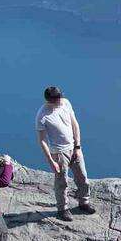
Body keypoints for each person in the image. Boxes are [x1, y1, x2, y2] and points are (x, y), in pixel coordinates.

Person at [36, 86, 96, 221]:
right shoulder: (42, 115)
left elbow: (75, 125)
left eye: (61, 96)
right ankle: (63, 209)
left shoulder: (66, 103)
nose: (61, 99)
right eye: (58, 98)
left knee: (83, 177)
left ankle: (84, 202)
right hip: (58, 153)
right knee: (62, 182)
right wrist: (51, 161)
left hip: (74, 148)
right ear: (50, 100)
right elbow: (42, 141)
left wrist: (78, 146)